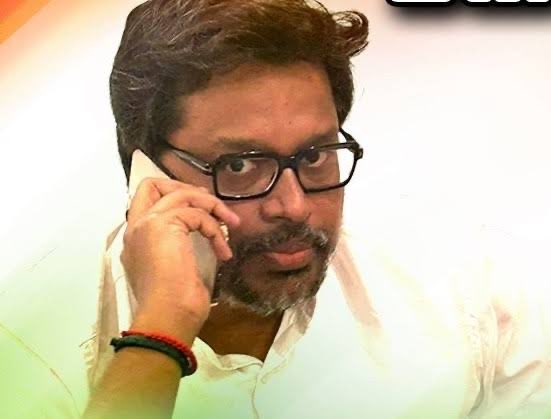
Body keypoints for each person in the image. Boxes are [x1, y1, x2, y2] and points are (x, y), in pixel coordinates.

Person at [82, 1, 551, 418]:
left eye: (314, 157)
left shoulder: (468, 292)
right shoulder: (47, 348)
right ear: (146, 173)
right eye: (240, 165)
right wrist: (161, 329)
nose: (294, 206)